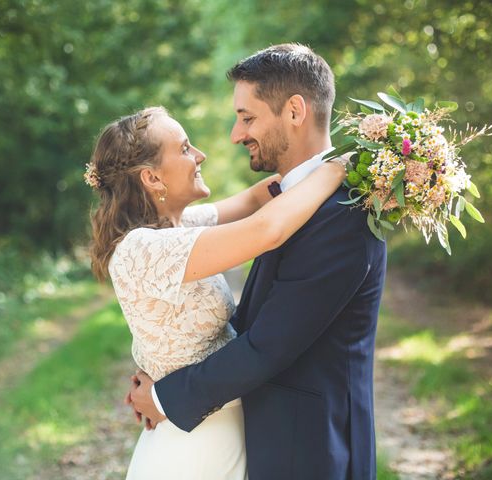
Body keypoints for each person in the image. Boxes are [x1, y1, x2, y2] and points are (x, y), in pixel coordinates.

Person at [128, 44, 387, 480]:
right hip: (271, 443)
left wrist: (165, 398)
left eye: (247, 118)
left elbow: (268, 345)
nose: (235, 134)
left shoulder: (342, 214)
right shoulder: (291, 202)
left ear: (294, 111)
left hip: (314, 452)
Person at [85, 104, 347, 479]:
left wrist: (316, 162)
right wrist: (340, 167)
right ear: (152, 178)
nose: (200, 155)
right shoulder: (143, 248)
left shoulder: (177, 227)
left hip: (216, 421)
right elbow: (266, 229)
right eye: (185, 148)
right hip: (193, 447)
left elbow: (259, 198)